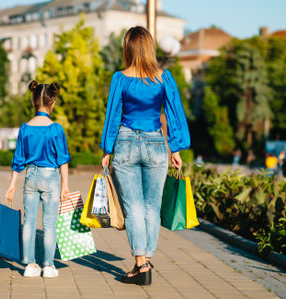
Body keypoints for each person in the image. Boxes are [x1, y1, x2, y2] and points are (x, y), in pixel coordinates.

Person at [100, 26, 190, 286]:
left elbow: (113, 114)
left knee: (134, 208)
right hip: (155, 143)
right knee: (152, 207)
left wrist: (107, 149)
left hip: (126, 142)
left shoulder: (121, 78)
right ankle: (146, 262)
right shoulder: (164, 78)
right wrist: (176, 147)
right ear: (150, 47)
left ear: (128, 47)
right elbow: (174, 113)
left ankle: (141, 264)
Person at [5, 81, 70, 278]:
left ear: (33, 102)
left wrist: (12, 185)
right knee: (50, 224)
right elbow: (63, 160)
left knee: (29, 222)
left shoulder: (25, 128)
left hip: (30, 177)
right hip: (51, 177)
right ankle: (49, 266)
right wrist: (65, 186)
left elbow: (18, 160)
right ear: (53, 102)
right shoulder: (56, 129)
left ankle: (30, 265)